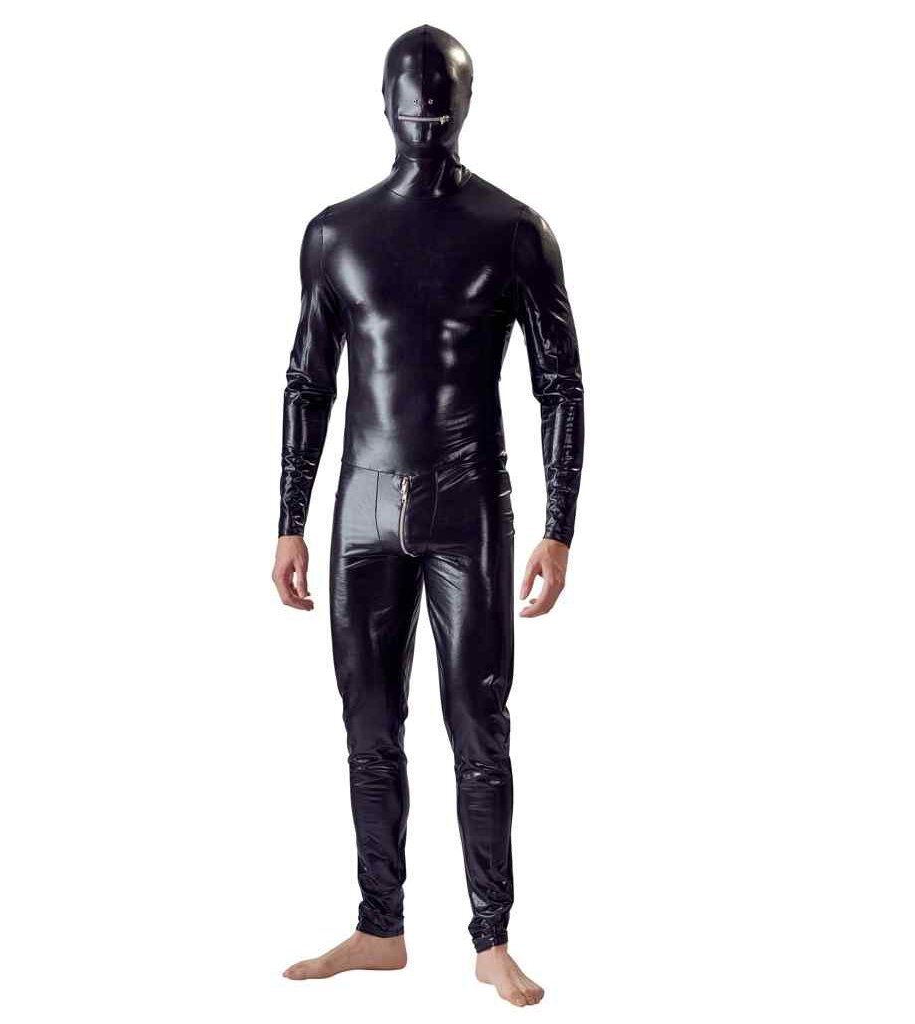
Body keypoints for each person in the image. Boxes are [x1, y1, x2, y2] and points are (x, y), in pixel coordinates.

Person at [272, 25, 584, 1008]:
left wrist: (559, 525)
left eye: (440, 96)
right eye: (413, 97)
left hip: (468, 502)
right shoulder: (335, 234)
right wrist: (288, 518)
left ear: (466, 103)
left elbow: (560, 383)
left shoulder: (513, 231)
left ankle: (492, 939)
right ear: (383, 105)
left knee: (477, 722)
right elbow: (308, 381)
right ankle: (380, 926)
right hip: (361, 503)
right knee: (368, 721)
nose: (425, 112)